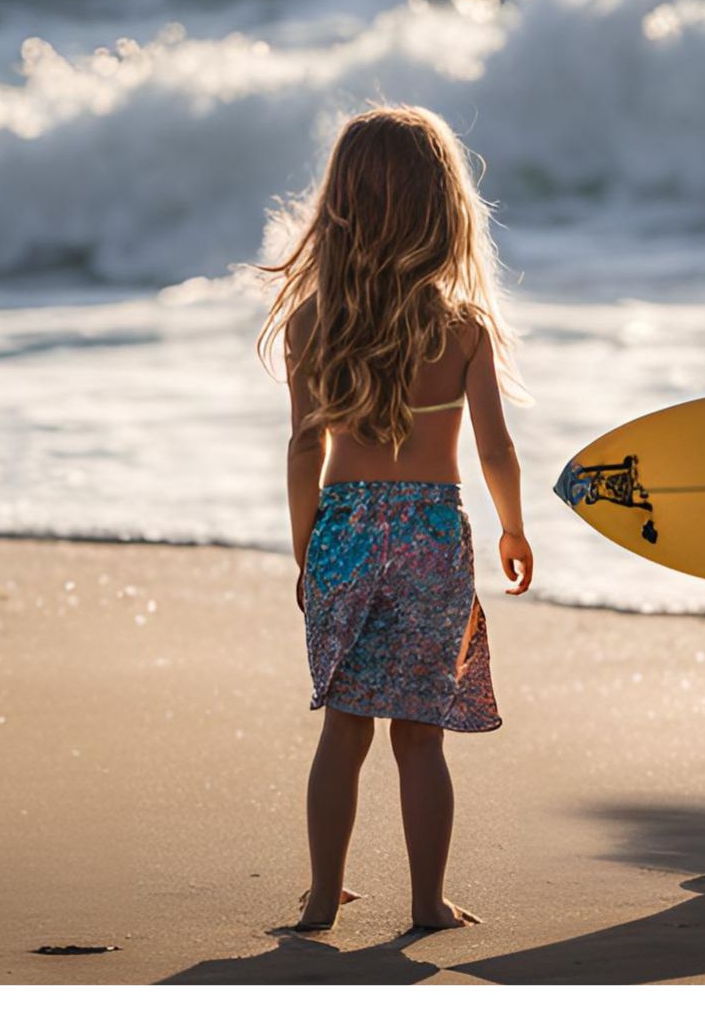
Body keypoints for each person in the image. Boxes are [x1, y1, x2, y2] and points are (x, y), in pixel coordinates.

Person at [256, 105, 534, 930]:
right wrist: (515, 526)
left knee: (344, 730)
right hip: (432, 537)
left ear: (338, 205)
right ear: (445, 209)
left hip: (343, 528)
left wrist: (307, 550)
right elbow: (494, 451)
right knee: (421, 735)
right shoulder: (461, 328)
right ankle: (426, 904)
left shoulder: (315, 320)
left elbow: (305, 450)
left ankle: (318, 899)